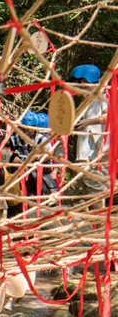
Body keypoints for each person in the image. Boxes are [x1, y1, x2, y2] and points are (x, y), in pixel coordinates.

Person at [67, 64, 109, 211]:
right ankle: (98, 227)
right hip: (89, 156)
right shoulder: (90, 100)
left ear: (84, 81)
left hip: (96, 155)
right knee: (93, 192)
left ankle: (99, 228)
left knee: (95, 193)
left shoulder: (104, 94)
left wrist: (88, 122)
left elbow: (108, 116)